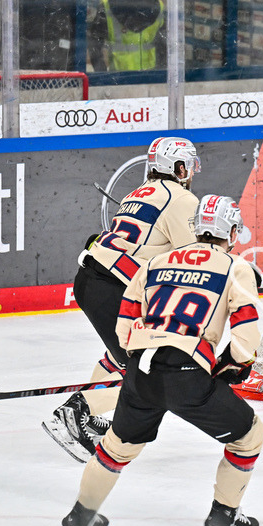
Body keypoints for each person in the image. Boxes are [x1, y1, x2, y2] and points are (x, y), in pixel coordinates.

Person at [55, 194, 263, 526]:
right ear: (231, 229)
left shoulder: (156, 263)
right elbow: (245, 342)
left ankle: (81, 515)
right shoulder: (236, 268)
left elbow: (124, 328)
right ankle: (224, 516)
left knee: (116, 448)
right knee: (249, 437)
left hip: (142, 372)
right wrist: (233, 365)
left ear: (196, 227)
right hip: (189, 376)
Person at [43, 138, 201, 462]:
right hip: (114, 287)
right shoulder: (181, 198)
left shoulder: (138, 193)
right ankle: (75, 411)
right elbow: (198, 259)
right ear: (180, 167)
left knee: (120, 357)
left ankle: (86, 416)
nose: (191, 173)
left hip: (91, 279)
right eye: (189, 165)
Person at [88, 0, 166, 72]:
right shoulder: (108, 5)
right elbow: (95, 43)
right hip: (120, 79)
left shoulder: (158, 7)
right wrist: (101, 73)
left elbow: (164, 44)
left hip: (150, 78)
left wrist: (161, 72)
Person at [19, 0, 76, 70]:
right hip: (34, 64)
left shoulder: (63, 2)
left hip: (45, 64)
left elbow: (66, 34)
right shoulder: (59, 3)